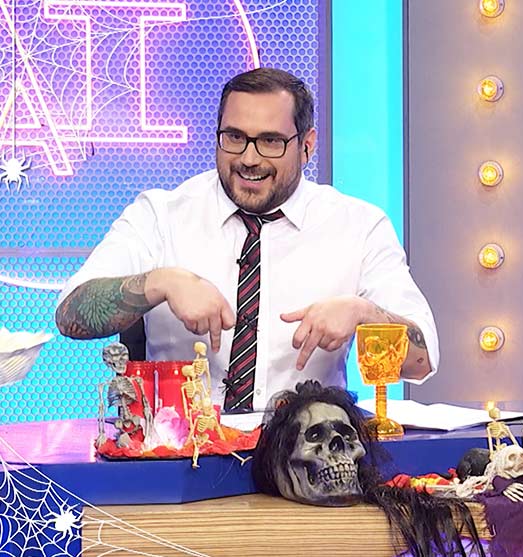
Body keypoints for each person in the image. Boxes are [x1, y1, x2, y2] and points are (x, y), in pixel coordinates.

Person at [55, 68, 438, 412]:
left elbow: (421, 361)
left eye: (270, 141)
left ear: (307, 145)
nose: (249, 158)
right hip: (183, 452)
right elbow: (70, 315)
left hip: (306, 453)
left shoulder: (359, 225)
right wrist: (161, 282)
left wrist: (365, 314)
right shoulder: (160, 215)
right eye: (235, 137)